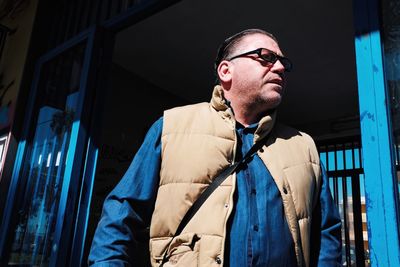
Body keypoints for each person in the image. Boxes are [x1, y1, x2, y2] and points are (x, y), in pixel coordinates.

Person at [88, 28, 342, 267]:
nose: (279, 68)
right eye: (266, 57)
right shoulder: (172, 127)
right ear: (225, 71)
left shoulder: (303, 145)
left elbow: (326, 231)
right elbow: (121, 214)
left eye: (283, 63)